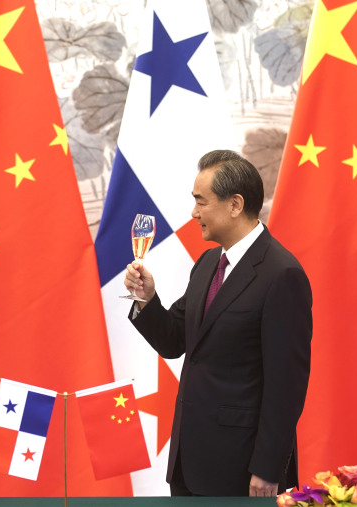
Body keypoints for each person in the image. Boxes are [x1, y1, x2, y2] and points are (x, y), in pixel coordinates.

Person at [124, 150, 312, 497]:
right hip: (188, 461)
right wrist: (146, 299)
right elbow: (174, 341)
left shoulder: (282, 274)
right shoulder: (209, 263)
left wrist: (268, 469)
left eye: (201, 202)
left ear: (235, 204)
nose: (193, 213)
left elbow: (286, 387)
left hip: (243, 470)